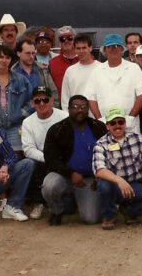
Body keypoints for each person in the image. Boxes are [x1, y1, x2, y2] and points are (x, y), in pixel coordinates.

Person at [92, 107, 142, 230]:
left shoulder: (137, 139)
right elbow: (99, 170)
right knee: (103, 185)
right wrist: (119, 181)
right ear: (107, 126)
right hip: (114, 186)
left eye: (120, 122)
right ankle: (109, 216)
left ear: (125, 124)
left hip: (134, 185)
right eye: (113, 123)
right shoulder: (101, 144)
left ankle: (130, 211)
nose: (117, 126)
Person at [42, 94, 107, 225]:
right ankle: (56, 211)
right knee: (49, 186)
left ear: (88, 109)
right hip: (64, 175)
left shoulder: (98, 127)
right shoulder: (57, 129)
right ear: (68, 108)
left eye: (83, 107)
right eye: (75, 107)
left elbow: (108, 154)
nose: (79, 110)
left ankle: (74, 200)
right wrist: (70, 174)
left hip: (89, 179)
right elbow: (50, 159)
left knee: (91, 219)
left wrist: (99, 176)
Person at [20, 85, 67, 218]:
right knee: (30, 164)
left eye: (45, 100)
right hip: (42, 159)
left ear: (52, 100)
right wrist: (48, 158)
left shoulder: (64, 116)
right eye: (37, 100)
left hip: (62, 158)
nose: (41, 103)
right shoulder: (28, 122)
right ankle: (37, 203)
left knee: (69, 208)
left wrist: (58, 159)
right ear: (32, 103)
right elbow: (28, 149)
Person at [86, 33, 142, 129]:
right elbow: (91, 98)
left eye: (116, 46)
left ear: (122, 50)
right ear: (105, 51)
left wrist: (130, 117)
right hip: (105, 126)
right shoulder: (96, 71)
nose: (113, 49)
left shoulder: (133, 68)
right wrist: (100, 120)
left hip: (130, 127)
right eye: (109, 47)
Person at [60, 34, 101, 108]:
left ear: (90, 48)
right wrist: (67, 115)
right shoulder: (70, 71)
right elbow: (65, 99)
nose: (81, 51)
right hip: (76, 116)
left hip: (97, 115)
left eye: (84, 48)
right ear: (75, 50)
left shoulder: (101, 68)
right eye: (78, 48)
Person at [13, 39, 58, 105]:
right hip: (21, 114)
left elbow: (54, 93)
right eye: (28, 53)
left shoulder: (43, 70)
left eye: (33, 53)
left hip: (43, 112)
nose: (31, 56)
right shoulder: (12, 74)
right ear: (18, 53)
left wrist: (50, 110)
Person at [48, 25, 80, 92]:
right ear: (59, 42)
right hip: (61, 101)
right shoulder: (52, 64)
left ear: (76, 40)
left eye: (70, 38)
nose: (66, 41)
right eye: (62, 39)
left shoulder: (86, 60)